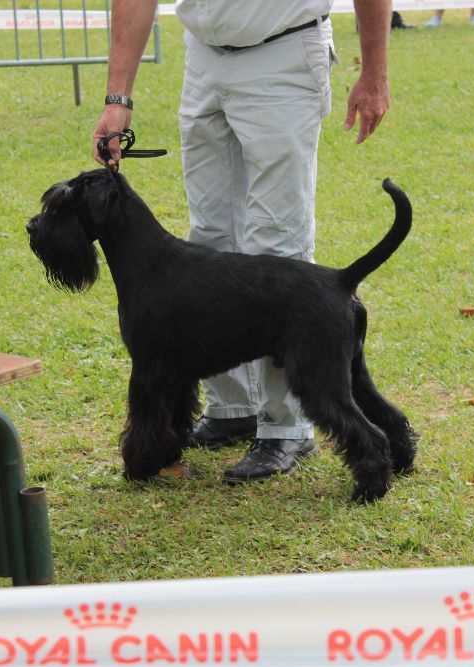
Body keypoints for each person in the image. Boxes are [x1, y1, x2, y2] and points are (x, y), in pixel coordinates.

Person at [92, 0, 392, 485]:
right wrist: (118, 98)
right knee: (207, 240)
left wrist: (374, 70)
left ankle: (284, 429)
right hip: (205, 55)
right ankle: (230, 408)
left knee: (278, 242)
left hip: (283, 51)